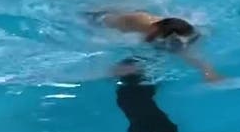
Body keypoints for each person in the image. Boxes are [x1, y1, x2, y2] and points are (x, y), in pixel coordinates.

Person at [89, 10, 223, 82]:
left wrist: (208, 72)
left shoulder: (169, 31)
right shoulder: (137, 21)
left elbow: (186, 53)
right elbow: (107, 30)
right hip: (102, 19)